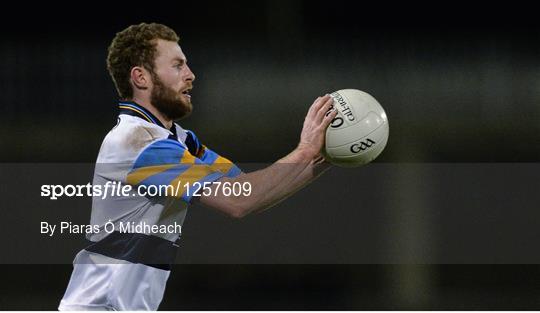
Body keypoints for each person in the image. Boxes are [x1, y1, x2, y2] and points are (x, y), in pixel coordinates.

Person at [58, 22, 337, 311]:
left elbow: (250, 189)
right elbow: (239, 200)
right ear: (141, 77)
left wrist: (326, 156)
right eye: (177, 66)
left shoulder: (178, 140)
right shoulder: (140, 143)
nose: (190, 75)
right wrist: (305, 151)